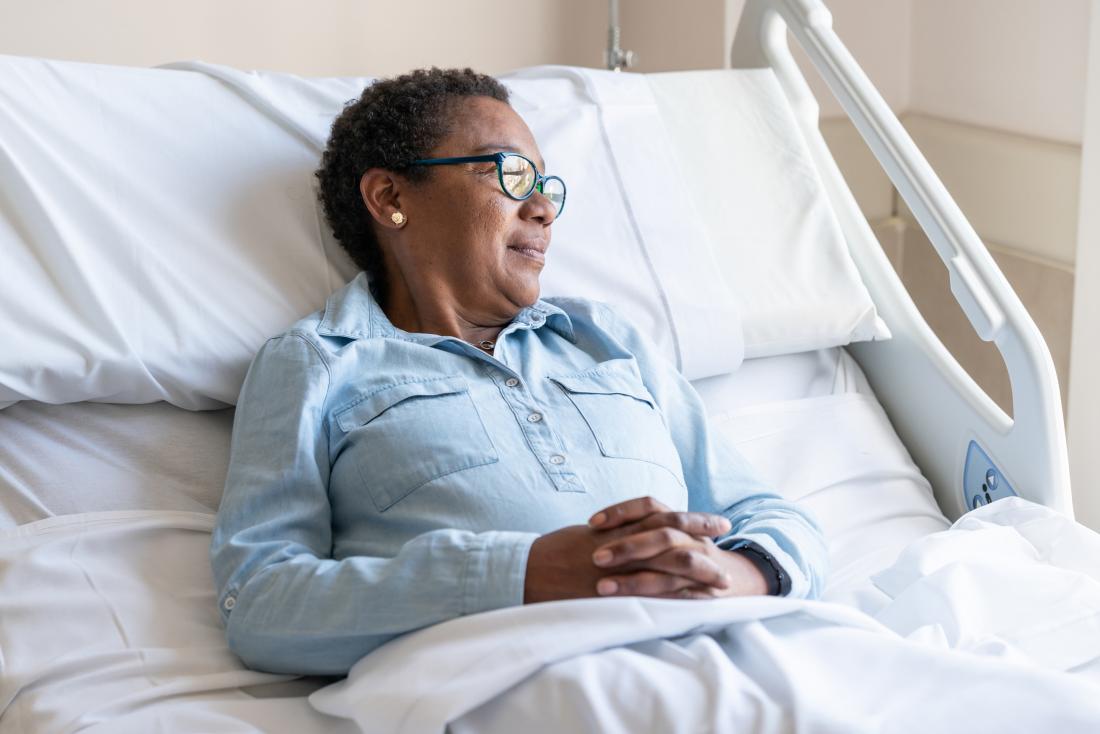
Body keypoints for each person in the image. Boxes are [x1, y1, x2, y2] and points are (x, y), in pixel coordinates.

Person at [211, 67, 828, 676]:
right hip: (528, 680)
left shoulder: (603, 338)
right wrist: (522, 574)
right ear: (390, 198)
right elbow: (260, 603)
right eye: (508, 173)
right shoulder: (319, 361)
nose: (542, 208)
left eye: (547, 187)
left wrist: (731, 574)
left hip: (734, 650)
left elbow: (773, 517)